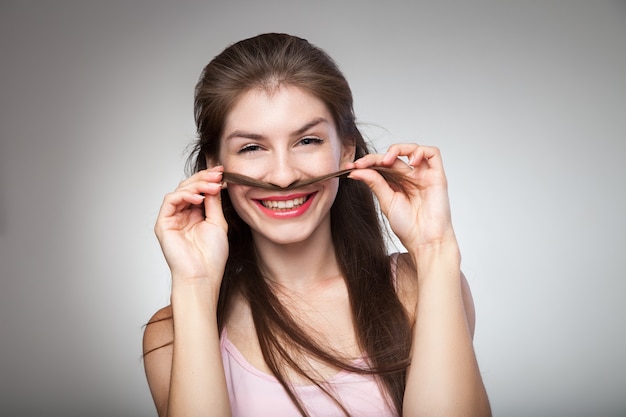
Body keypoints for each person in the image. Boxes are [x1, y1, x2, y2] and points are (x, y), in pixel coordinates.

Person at [142, 33, 491, 417]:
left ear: (345, 150)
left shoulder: (421, 286)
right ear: (214, 167)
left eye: (307, 141)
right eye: (252, 148)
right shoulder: (169, 337)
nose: (282, 176)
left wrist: (436, 248)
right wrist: (194, 286)